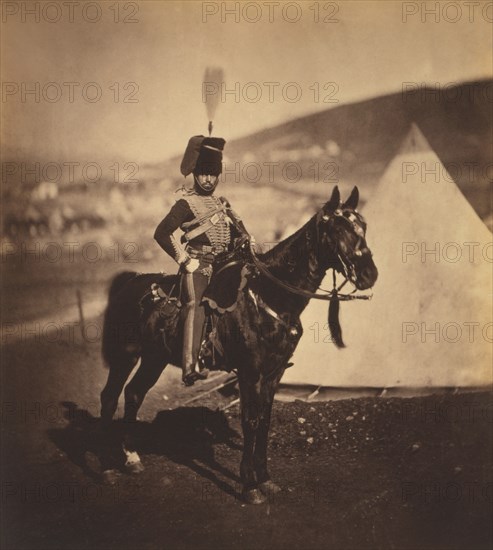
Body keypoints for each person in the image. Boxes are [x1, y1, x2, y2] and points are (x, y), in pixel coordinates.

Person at [154, 135, 248, 386]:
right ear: (195, 174)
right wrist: (184, 259)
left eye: (212, 173)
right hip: (197, 267)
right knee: (194, 305)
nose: (208, 179)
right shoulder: (185, 203)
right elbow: (161, 233)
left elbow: (243, 236)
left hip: (221, 268)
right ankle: (190, 365)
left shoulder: (222, 204)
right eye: (203, 173)